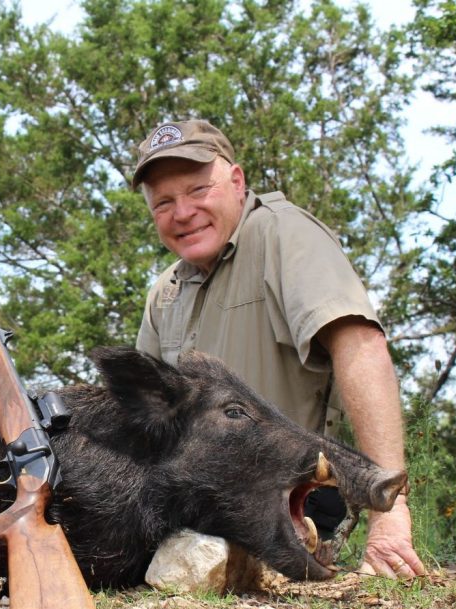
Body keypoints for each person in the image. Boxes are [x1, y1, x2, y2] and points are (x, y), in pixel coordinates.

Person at [132, 119, 425, 579]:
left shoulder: (284, 234)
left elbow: (362, 345)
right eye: (164, 203)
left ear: (236, 182)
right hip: (191, 514)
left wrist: (387, 511)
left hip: (287, 504)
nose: (182, 212)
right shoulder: (164, 291)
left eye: (197, 190)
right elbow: (143, 422)